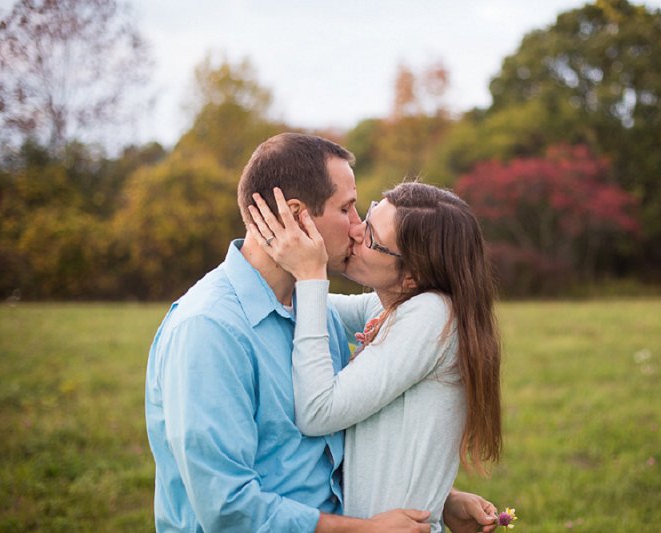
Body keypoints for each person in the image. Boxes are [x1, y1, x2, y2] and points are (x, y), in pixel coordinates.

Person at [145, 133, 497, 532]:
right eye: (347, 209)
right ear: (299, 217)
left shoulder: (313, 309)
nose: (356, 228)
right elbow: (227, 508)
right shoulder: (208, 331)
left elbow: (329, 447)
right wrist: (362, 530)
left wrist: (433, 495)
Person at [246, 180, 503, 533]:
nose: (354, 230)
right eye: (366, 217)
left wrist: (310, 275)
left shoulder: (431, 315)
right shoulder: (395, 306)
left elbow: (318, 411)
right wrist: (274, 248)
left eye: (371, 235)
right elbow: (305, 306)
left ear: (412, 276)